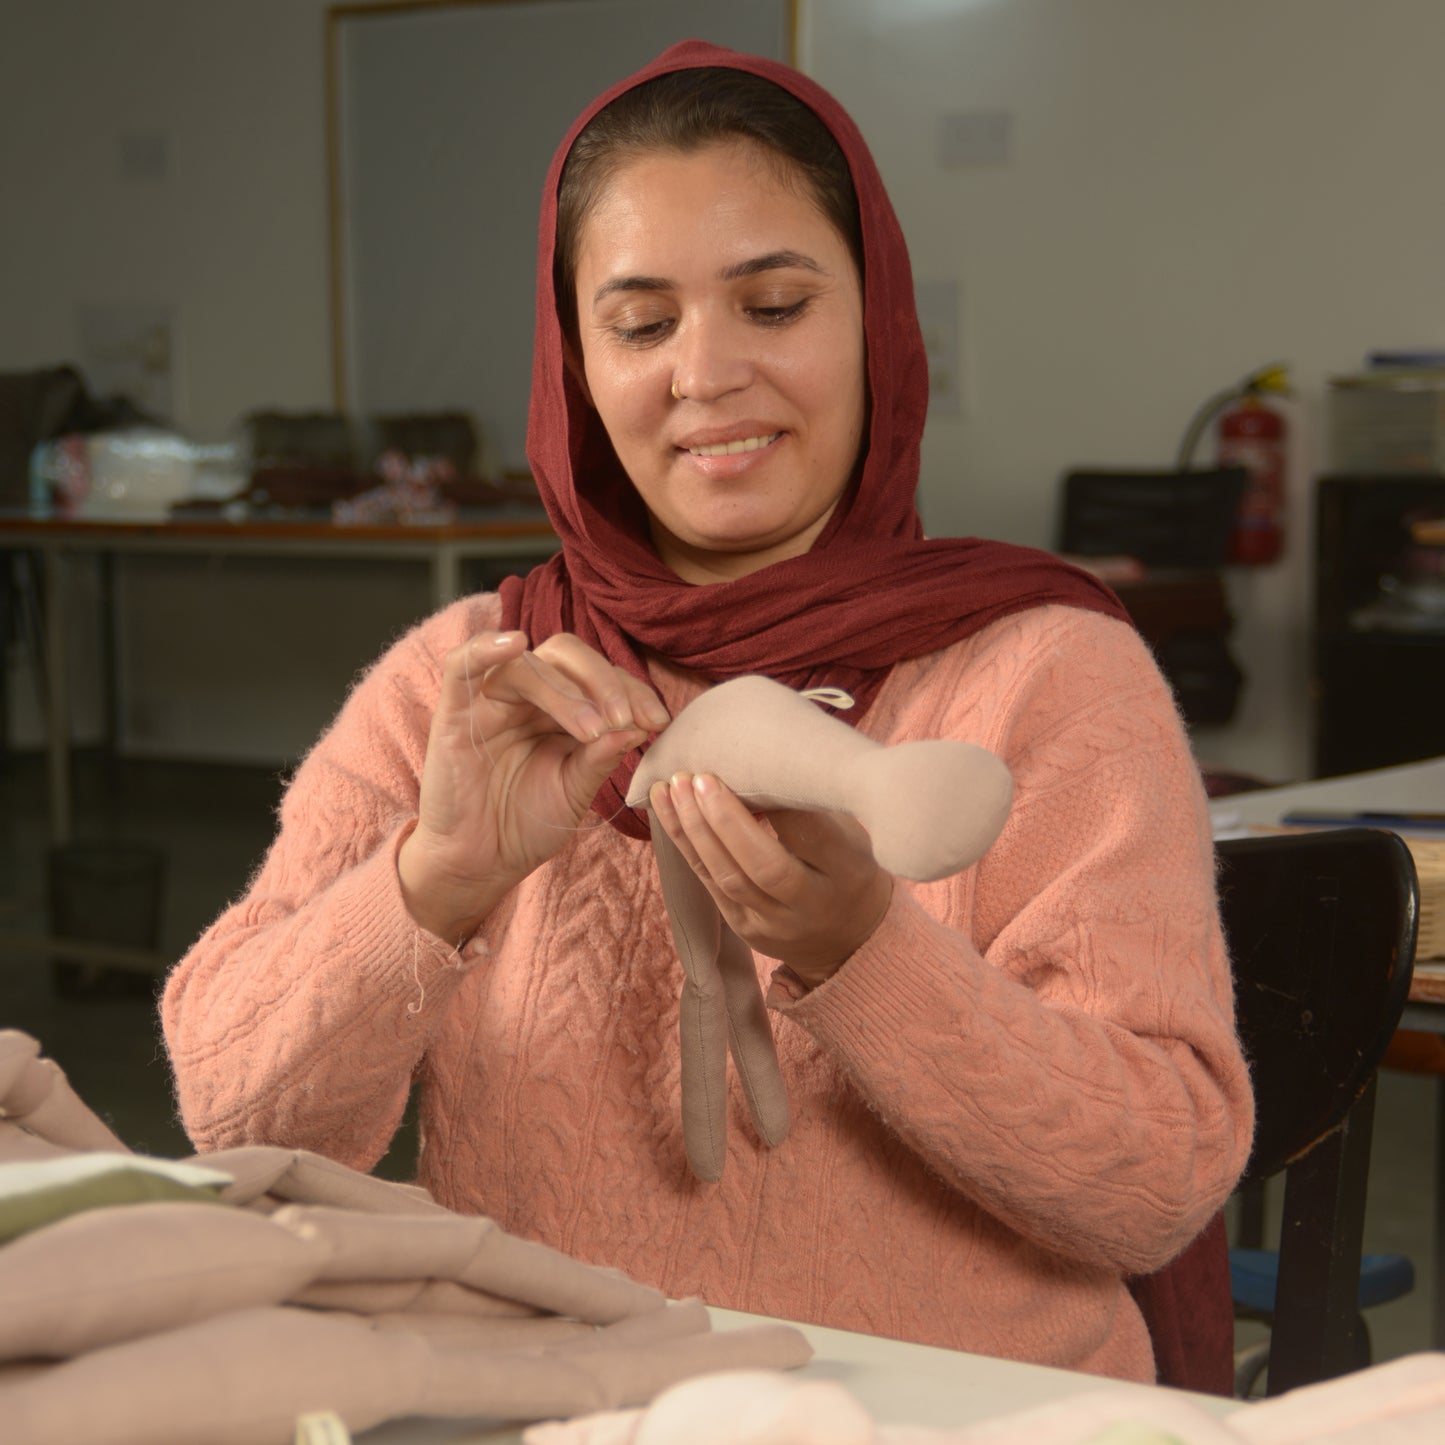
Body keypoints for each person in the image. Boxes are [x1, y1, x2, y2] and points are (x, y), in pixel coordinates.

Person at [162, 41, 1253, 1385]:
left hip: (953, 1416)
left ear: (878, 324)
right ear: (575, 364)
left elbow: (1156, 1181)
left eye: (775, 304)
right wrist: (435, 880)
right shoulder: (477, 684)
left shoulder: (1043, 671)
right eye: (639, 323)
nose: (706, 373)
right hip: (553, 1405)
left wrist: (863, 952)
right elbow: (238, 1116)